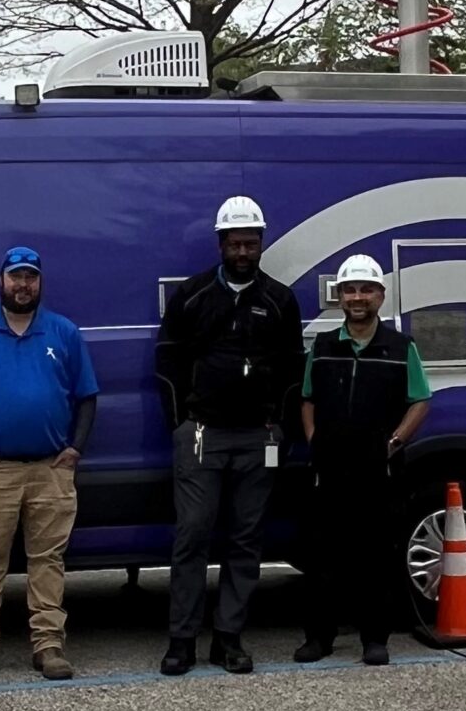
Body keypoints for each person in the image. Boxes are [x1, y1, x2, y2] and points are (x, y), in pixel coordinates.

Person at [154, 195, 304, 676]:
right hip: (202, 435)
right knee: (192, 537)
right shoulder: (194, 296)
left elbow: (292, 371)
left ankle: (229, 639)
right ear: (220, 244)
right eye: (235, 243)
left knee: (246, 540)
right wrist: (181, 422)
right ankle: (182, 641)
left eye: (251, 243)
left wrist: (279, 425)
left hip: (258, 438)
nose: (243, 251)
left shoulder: (279, 299)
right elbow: (167, 363)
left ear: (262, 244)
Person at [0, 245, 99, 684]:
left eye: (30, 277)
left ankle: (49, 646)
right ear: (1, 281)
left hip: (51, 470)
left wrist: (75, 450)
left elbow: (87, 397)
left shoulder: (63, 333)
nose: (23, 285)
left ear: (40, 282)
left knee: (47, 562)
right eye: (16, 277)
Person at [292, 252, 431, 667]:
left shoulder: (400, 347)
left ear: (380, 296)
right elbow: (307, 398)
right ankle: (319, 638)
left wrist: (394, 442)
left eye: (366, 290)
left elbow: (420, 401)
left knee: (375, 555)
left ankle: (375, 639)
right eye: (350, 290)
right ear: (339, 297)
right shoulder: (323, 345)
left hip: (377, 467)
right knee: (322, 556)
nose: (357, 297)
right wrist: (316, 439)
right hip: (329, 466)